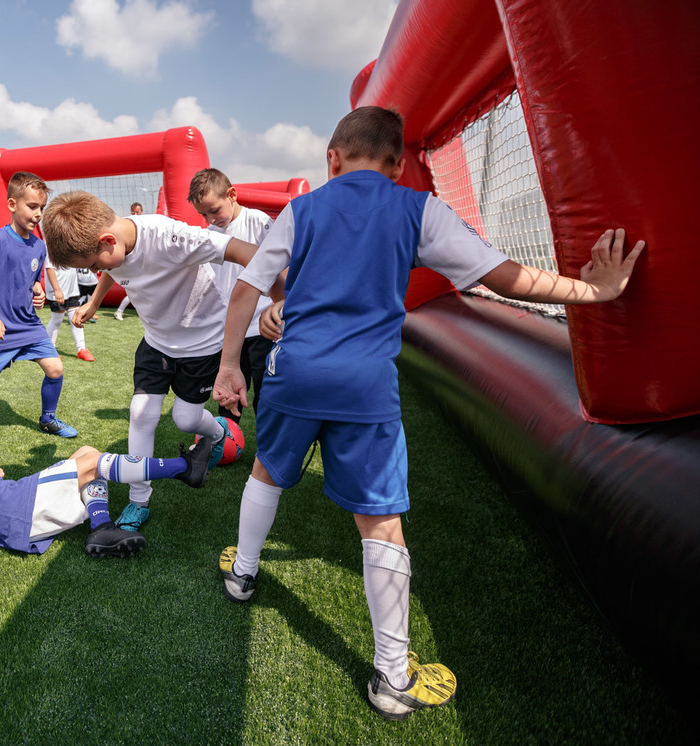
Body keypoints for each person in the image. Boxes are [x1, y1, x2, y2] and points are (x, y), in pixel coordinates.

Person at [211, 106, 646, 721]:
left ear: (331, 159)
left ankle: (243, 574)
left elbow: (246, 289)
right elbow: (509, 279)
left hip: (294, 371)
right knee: (380, 522)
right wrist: (593, 291)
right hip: (364, 384)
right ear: (396, 164)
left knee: (268, 470)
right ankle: (391, 677)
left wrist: (231, 365)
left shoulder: (301, 210)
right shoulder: (419, 208)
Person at [41, 191, 282, 533]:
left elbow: (248, 253)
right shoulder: (112, 247)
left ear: (108, 240)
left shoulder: (170, 237)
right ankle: (139, 500)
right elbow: (115, 268)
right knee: (141, 414)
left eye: (93, 265)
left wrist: (281, 300)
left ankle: (220, 433)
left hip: (202, 345)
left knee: (186, 419)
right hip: (155, 344)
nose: (96, 272)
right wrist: (93, 304)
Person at [0, 382, 213, 557]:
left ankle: (102, 529)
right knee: (91, 464)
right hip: (15, 512)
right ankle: (185, 467)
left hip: (13, 500)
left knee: (88, 453)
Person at [0, 171, 78, 438]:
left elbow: (32, 278)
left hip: (27, 324)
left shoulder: (39, 246)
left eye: (42, 207)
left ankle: (48, 419)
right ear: (12, 205)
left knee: (55, 367)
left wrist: (37, 289)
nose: (38, 213)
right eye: (32, 206)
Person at [188, 168, 274, 424]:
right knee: (227, 391)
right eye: (203, 214)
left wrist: (281, 304)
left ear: (232, 195)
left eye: (214, 210)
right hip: (230, 328)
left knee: (265, 392)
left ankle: (268, 449)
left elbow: (283, 266)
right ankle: (225, 438)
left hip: (262, 327)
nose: (210, 219)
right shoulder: (209, 234)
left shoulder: (258, 222)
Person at [44, 251, 95, 361]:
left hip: (72, 289)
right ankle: (49, 349)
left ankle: (81, 349)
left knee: (76, 318)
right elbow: (49, 268)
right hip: (58, 289)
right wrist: (57, 289)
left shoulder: (69, 243)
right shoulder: (51, 245)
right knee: (57, 319)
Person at [113, 204, 145, 320]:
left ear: (141, 211)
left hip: (142, 266)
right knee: (133, 292)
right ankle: (119, 311)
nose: (135, 214)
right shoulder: (126, 224)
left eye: (137, 212)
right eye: (133, 212)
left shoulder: (145, 225)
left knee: (138, 293)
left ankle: (120, 311)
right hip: (132, 267)